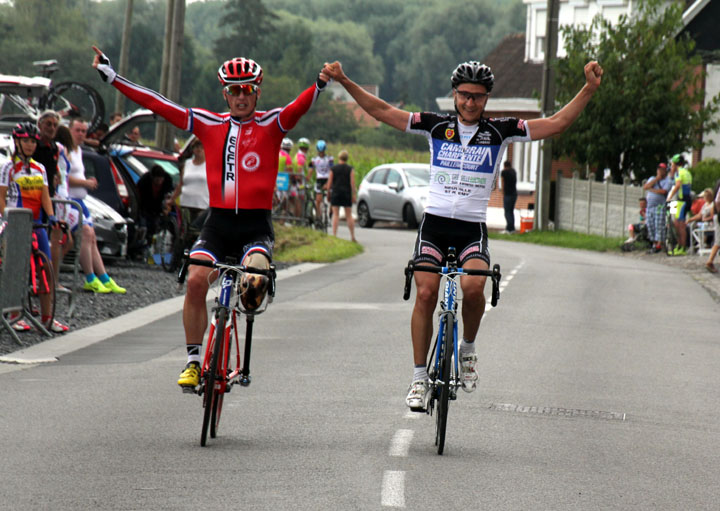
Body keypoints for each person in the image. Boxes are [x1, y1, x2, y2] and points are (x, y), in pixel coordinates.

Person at [322, 57, 603, 409]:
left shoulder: (502, 130)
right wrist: (345, 81)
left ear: (487, 99)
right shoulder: (435, 125)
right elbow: (381, 111)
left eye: (479, 97)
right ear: (454, 94)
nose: (471, 103)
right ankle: (419, 378)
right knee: (425, 293)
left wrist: (589, 89)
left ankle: (467, 349)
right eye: (465, 95)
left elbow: (557, 123)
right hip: (435, 225)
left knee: (473, 289)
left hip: (472, 229)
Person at [92, 45, 329, 390]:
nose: (241, 97)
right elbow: (159, 104)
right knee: (195, 279)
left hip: (255, 226)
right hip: (218, 223)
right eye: (234, 90)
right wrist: (113, 78)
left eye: (247, 89)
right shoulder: (208, 123)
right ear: (225, 94)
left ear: (257, 92)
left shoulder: (272, 123)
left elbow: (298, 106)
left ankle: (246, 303)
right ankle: (192, 361)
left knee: (257, 277)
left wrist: (319, 84)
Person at [0, 122, 69, 333]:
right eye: (25, 141)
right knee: (17, 271)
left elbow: (45, 196)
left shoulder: (40, 168)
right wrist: (7, 218)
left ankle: (48, 318)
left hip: (37, 224)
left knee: (45, 270)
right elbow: (1, 197)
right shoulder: (8, 168)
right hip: (16, 224)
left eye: (32, 141)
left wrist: (52, 217)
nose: (30, 145)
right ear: (17, 142)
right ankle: (14, 315)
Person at [65, 118, 126, 294]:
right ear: (69, 130)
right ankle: (90, 278)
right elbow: (64, 177)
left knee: (91, 238)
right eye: (77, 130)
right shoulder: (67, 150)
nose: (81, 134)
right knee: (86, 233)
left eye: (84, 131)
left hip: (81, 201)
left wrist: (87, 182)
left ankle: (104, 278)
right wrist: (85, 183)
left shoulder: (78, 150)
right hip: (70, 200)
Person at [168, 137, 209, 255]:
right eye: (196, 147)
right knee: (183, 233)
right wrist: (172, 199)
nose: (199, 150)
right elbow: (181, 183)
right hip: (186, 203)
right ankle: (179, 256)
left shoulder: (210, 164)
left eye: (201, 147)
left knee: (199, 233)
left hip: (203, 204)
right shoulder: (187, 164)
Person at [136, 164, 174, 248]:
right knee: (144, 226)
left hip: (158, 208)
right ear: (152, 178)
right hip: (145, 207)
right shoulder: (144, 181)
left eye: (161, 180)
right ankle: (140, 246)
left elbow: (169, 195)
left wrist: (166, 207)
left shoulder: (167, 181)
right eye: (157, 180)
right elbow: (139, 196)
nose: (159, 182)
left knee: (155, 227)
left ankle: (151, 244)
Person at [327, 149, 357, 242]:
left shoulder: (333, 169)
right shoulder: (350, 169)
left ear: (339, 157)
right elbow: (352, 183)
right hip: (346, 193)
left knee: (336, 215)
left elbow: (329, 184)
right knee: (349, 215)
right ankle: (352, 236)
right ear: (347, 158)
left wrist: (329, 193)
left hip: (336, 192)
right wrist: (354, 195)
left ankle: (334, 235)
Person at [643, 162, 672, 253]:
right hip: (650, 206)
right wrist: (656, 179)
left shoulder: (668, 180)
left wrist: (652, 189)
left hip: (660, 206)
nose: (659, 171)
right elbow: (646, 186)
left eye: (662, 169)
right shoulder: (652, 178)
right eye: (658, 169)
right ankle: (654, 244)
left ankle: (660, 244)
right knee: (650, 225)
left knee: (659, 225)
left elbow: (663, 191)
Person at [667, 154, 692, 255]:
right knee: (677, 223)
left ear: (675, 164)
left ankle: (682, 247)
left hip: (680, 200)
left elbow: (677, 186)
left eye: (672, 164)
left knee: (679, 225)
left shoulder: (679, 172)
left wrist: (669, 197)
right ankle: (679, 246)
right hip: (683, 200)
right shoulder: (686, 172)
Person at [309, 140, 334, 218]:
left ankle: (318, 216)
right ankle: (325, 213)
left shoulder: (314, 159)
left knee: (318, 200)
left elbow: (310, 171)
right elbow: (332, 170)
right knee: (327, 198)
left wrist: (307, 179)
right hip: (327, 179)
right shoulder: (329, 159)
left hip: (321, 180)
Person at [706, 178, 720, 273]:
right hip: (718, 214)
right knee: (718, 241)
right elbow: (718, 201)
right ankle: (710, 261)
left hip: (717, 214)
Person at [500, 160, 517, 233]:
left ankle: (508, 228)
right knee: (511, 211)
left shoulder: (504, 172)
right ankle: (512, 228)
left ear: (504, 166)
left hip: (507, 194)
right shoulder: (513, 171)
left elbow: (502, 182)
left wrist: (503, 192)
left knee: (507, 211)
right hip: (514, 194)